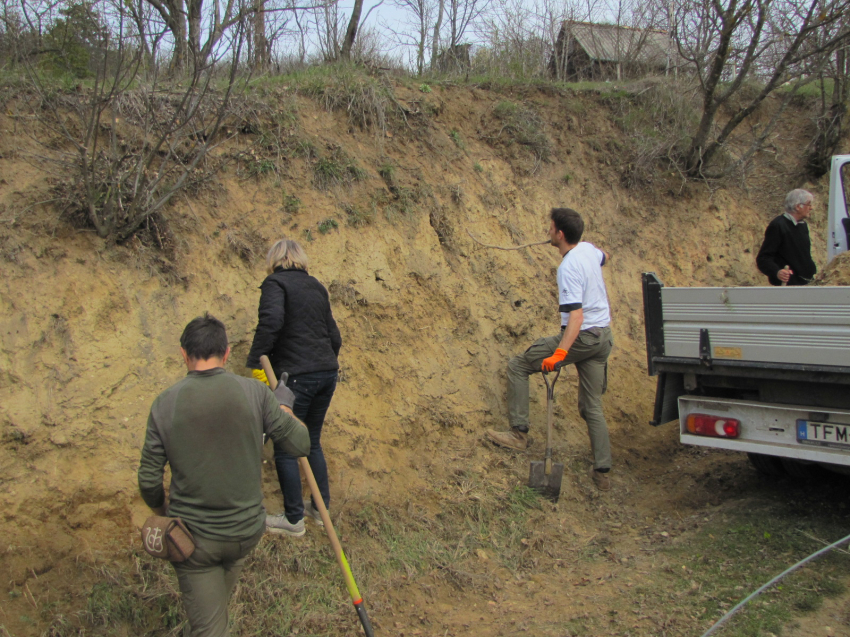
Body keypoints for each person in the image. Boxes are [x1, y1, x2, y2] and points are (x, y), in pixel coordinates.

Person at [138, 314, 309, 637]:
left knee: (209, 628)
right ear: (227, 352)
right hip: (245, 533)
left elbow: (148, 480)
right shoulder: (255, 394)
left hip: (194, 541)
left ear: (183, 354)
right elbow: (300, 443)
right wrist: (283, 408)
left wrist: (163, 513)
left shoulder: (165, 404)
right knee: (211, 618)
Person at [486, 207, 615, 491]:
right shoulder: (590, 250)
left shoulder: (567, 268)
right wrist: (595, 258)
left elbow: (576, 319)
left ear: (559, 234)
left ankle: (518, 435)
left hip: (581, 337)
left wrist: (559, 354)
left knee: (518, 366)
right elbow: (606, 256)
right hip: (603, 336)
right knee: (591, 405)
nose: (547, 232)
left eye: (550, 228)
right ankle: (602, 472)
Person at [246, 239, 342, 537]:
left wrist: (255, 360)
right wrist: (323, 363)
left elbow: (271, 321)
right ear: (300, 259)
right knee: (311, 440)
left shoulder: (275, 284)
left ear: (275, 260)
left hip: (297, 378)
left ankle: (293, 519)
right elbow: (334, 336)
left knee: (286, 446)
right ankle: (319, 508)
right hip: (327, 374)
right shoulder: (316, 286)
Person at [756, 189, 817, 286]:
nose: (811, 208)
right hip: (788, 288)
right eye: (808, 204)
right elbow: (763, 258)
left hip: (805, 284)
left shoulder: (803, 226)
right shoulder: (778, 225)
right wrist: (777, 272)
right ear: (798, 206)